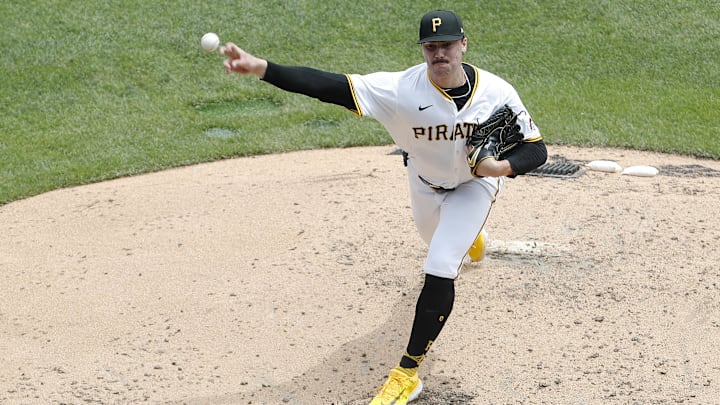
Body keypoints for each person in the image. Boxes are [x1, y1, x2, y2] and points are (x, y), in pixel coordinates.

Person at [221, 9, 547, 405]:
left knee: (440, 265)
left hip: (474, 188)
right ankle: (473, 242)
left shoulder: (497, 92)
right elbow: (328, 86)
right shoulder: (399, 91)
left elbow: (537, 149)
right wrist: (262, 68)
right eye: (431, 46)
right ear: (423, 50)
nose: (439, 53)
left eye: (446, 45)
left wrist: (500, 167)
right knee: (435, 239)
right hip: (425, 186)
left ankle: (407, 373)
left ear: (463, 45)